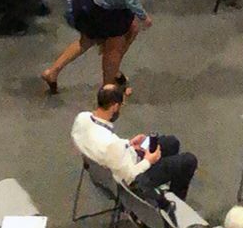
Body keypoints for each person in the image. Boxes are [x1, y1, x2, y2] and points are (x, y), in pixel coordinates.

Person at [72, 79, 200, 204]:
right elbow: (129, 178)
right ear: (115, 106)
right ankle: (170, 207)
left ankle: (161, 194)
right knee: (188, 161)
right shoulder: (111, 144)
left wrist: (128, 144)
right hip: (134, 181)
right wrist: (148, 161)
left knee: (171, 142)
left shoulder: (82, 118)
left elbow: (108, 149)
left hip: (113, 163)